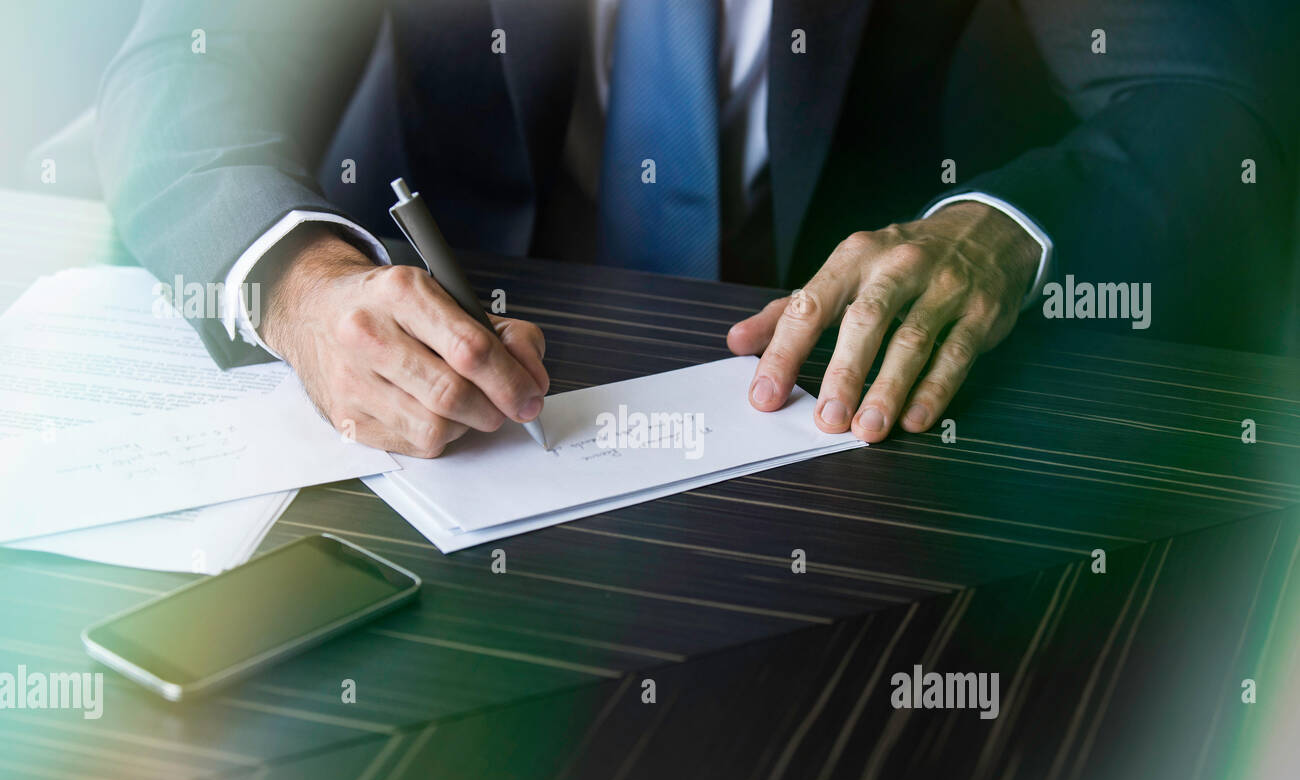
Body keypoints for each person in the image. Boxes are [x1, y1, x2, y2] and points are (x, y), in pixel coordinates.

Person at [96, 0, 1283, 457]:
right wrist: (301, 292)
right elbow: (175, 73)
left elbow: (1204, 99)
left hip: (851, 415)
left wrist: (1003, 229)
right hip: (480, 410)